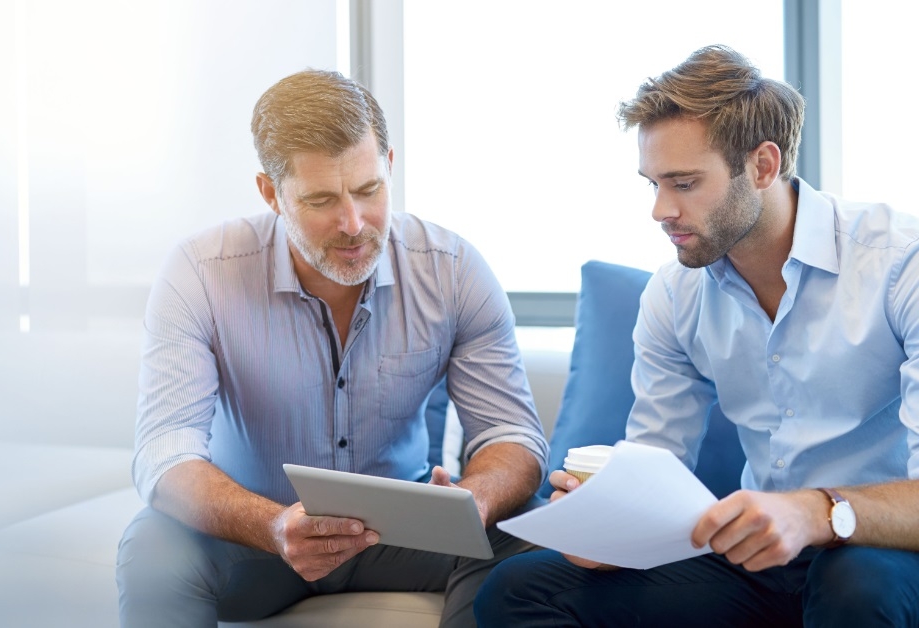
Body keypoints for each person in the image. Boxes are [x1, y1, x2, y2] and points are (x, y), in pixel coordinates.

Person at [474, 44, 919, 627]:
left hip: (882, 549)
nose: (661, 210)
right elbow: (656, 465)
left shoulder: (898, 265)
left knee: (855, 585)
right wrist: (609, 528)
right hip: (761, 563)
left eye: (684, 183)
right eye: (653, 184)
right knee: (518, 589)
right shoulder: (675, 293)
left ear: (762, 166)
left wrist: (816, 512)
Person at [116, 69, 549, 627]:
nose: (353, 223)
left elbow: (512, 434)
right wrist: (273, 526)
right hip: (257, 538)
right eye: (321, 199)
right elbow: (165, 452)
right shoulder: (200, 272)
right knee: (152, 549)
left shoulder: (453, 270)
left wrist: (475, 501)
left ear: (389, 164)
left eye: (368, 190)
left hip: (406, 535)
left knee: (529, 536)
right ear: (271, 193)